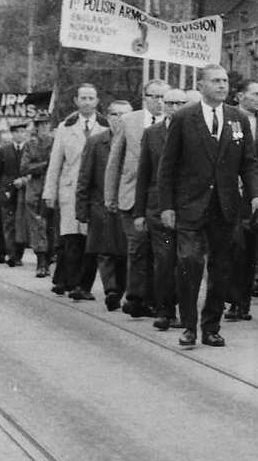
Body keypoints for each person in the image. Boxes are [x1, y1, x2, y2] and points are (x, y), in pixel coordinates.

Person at [157, 65, 258, 349]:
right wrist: (166, 205)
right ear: (201, 85)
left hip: (225, 207)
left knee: (221, 269)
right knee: (190, 263)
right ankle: (189, 325)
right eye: (215, 81)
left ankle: (211, 326)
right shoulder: (183, 118)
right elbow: (167, 166)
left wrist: (256, 195)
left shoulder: (238, 119)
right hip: (190, 206)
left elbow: (250, 163)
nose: (222, 85)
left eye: (225, 81)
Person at [104, 80, 167, 317]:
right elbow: (114, 160)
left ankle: (152, 298)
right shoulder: (130, 121)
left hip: (159, 199)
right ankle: (136, 298)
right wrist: (110, 196)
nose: (159, 102)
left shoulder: (174, 121)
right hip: (131, 195)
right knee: (138, 246)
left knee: (158, 251)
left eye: (163, 97)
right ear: (145, 97)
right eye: (154, 96)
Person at [134, 88, 190, 331]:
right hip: (157, 208)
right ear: (163, 106)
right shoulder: (152, 134)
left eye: (180, 103)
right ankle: (165, 310)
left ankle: (184, 309)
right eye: (170, 103)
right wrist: (138, 212)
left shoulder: (195, 132)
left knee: (186, 260)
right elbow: (143, 174)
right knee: (165, 260)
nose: (175, 108)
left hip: (189, 207)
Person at [44, 86, 108, 299]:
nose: (87, 102)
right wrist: (49, 192)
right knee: (71, 237)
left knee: (90, 237)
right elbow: (56, 161)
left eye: (91, 98)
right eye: (83, 98)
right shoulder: (66, 127)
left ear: (97, 101)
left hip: (95, 189)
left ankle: (82, 284)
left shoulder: (105, 127)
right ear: (76, 101)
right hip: (70, 188)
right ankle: (68, 281)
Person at [227, 78, 258, 322]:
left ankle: (243, 301)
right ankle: (235, 301)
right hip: (232, 191)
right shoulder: (229, 117)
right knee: (236, 250)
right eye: (255, 93)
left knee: (252, 250)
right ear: (240, 96)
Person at [77, 98, 129, 310]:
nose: (120, 119)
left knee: (125, 253)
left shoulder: (136, 141)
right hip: (100, 206)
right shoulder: (96, 142)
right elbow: (84, 177)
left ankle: (120, 289)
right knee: (105, 251)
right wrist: (81, 209)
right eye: (116, 114)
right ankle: (111, 290)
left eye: (125, 115)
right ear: (108, 118)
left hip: (126, 204)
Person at [0, 122, 30, 265]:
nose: (20, 135)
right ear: (12, 134)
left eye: (23, 132)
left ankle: (18, 254)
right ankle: (11, 254)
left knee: (20, 223)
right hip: (6, 191)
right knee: (8, 223)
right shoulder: (4, 150)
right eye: (17, 132)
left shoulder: (30, 149)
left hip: (24, 190)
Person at [21, 115, 55, 278]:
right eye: (40, 125)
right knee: (37, 225)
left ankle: (49, 259)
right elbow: (25, 167)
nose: (43, 127)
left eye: (46, 124)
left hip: (52, 187)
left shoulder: (56, 142)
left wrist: (42, 165)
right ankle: (41, 261)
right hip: (35, 188)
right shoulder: (30, 145)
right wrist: (44, 165)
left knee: (51, 225)